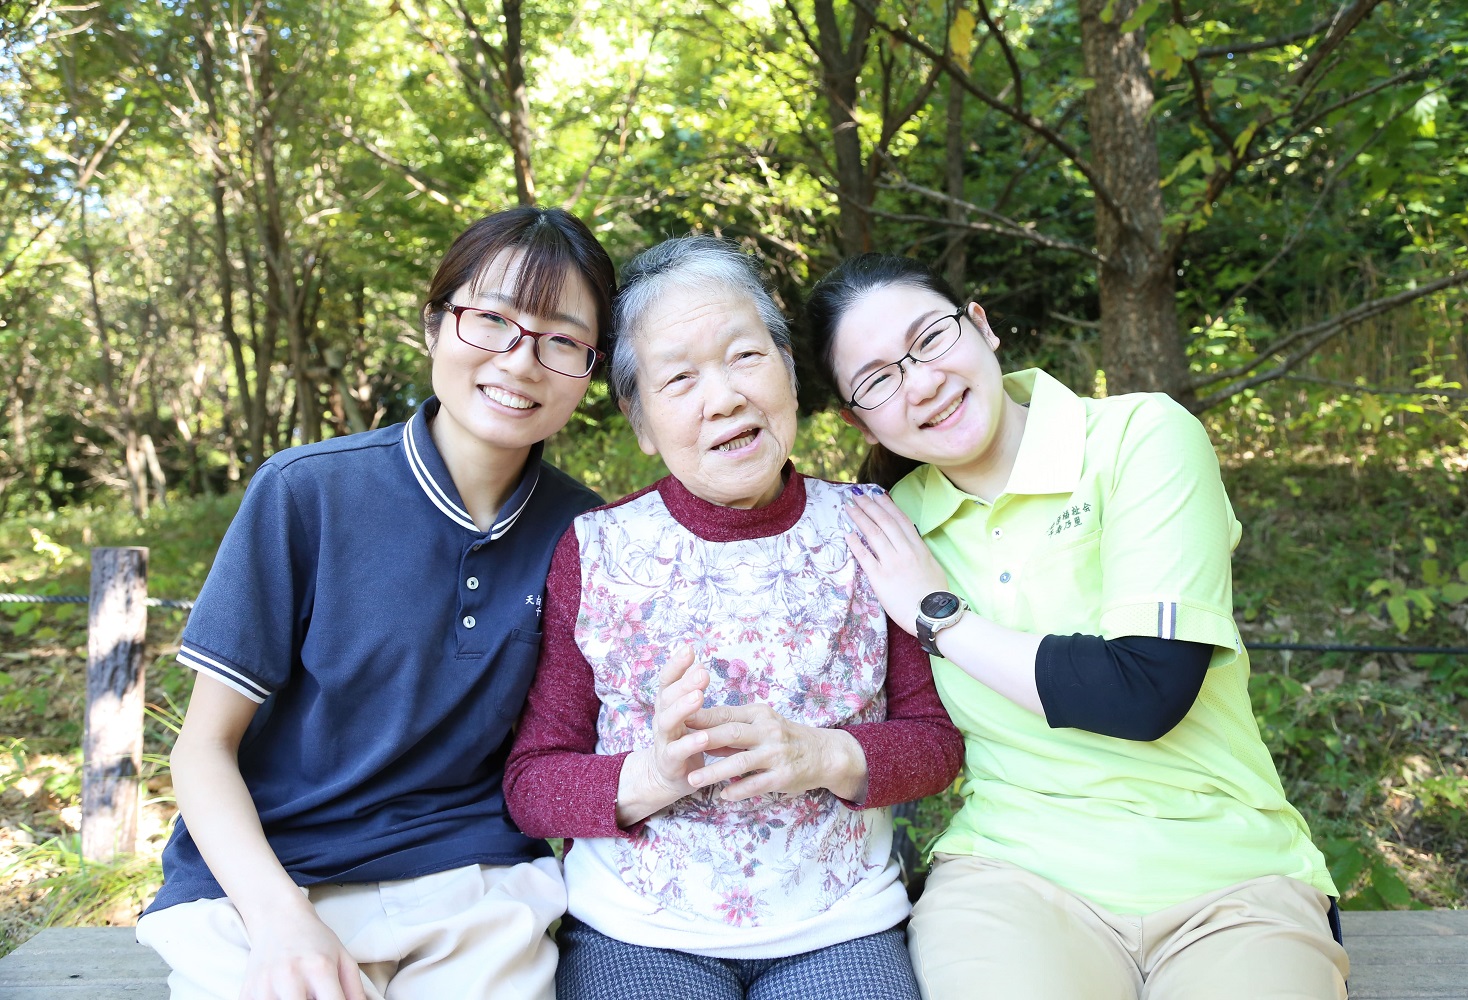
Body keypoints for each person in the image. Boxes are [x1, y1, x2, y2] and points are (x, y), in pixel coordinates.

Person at [804, 253, 1351, 1000]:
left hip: (1230, 880)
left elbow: (1146, 692)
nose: (922, 381)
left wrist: (942, 617)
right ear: (855, 417)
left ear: (982, 327)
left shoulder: (1141, 438)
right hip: (1013, 880)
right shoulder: (888, 531)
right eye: (878, 379)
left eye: (931, 339)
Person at [135, 207, 616, 1000]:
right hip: (265, 882)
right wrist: (282, 921)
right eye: (491, 320)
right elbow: (201, 749)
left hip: (474, 888)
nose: (521, 361)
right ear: (435, 326)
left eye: (562, 340)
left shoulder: (590, 532)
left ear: (590, 370)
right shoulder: (306, 494)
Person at [503, 236, 964, 1000]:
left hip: (840, 926)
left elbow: (934, 745)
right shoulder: (597, 550)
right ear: (641, 420)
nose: (723, 398)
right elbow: (532, 781)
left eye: (745, 356)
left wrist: (822, 755)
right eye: (679, 377)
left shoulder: (870, 527)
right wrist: (649, 776)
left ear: (788, 371)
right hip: (639, 932)